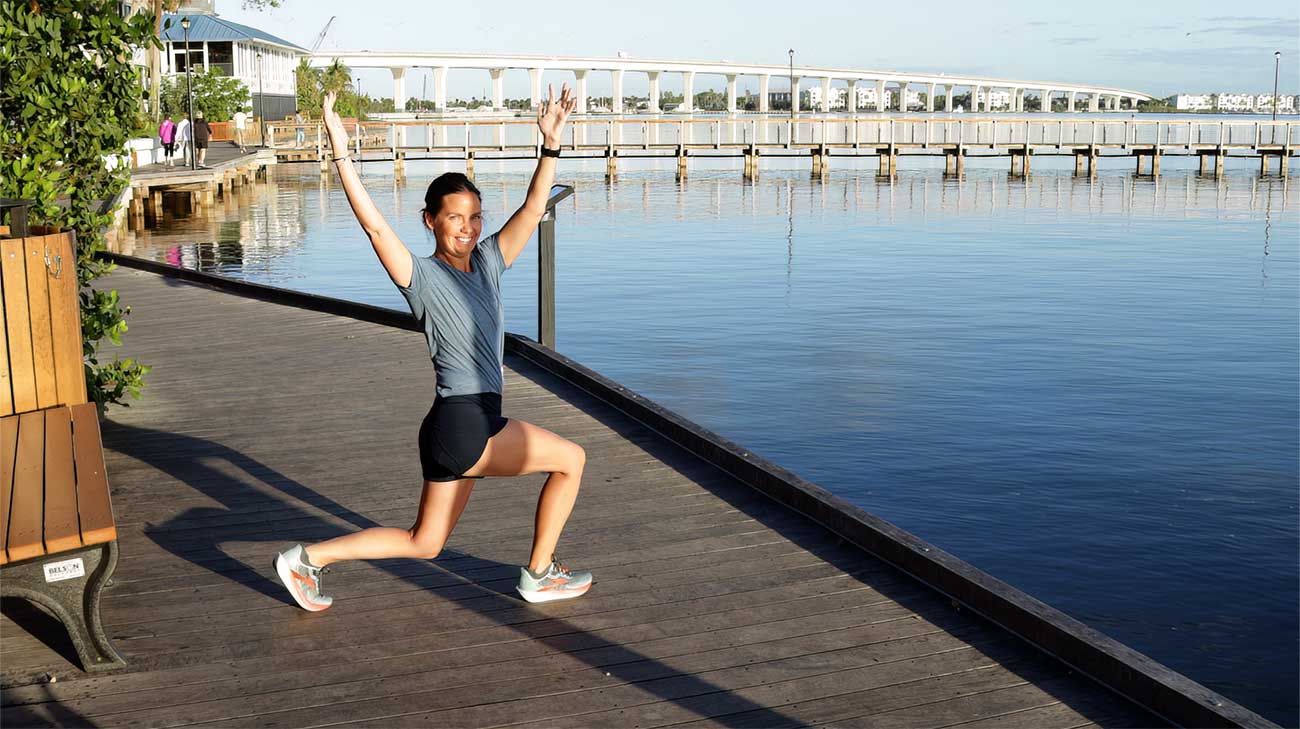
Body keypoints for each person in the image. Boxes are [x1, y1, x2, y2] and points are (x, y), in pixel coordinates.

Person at [273, 84, 589, 610]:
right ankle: (539, 574)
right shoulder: (420, 277)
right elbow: (374, 225)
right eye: (454, 217)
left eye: (475, 217)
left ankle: (308, 560)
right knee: (571, 460)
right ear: (430, 220)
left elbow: (535, 208)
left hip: (452, 425)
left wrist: (550, 144)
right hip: (465, 423)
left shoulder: (489, 263)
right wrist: (338, 144)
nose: (467, 228)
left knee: (425, 543)